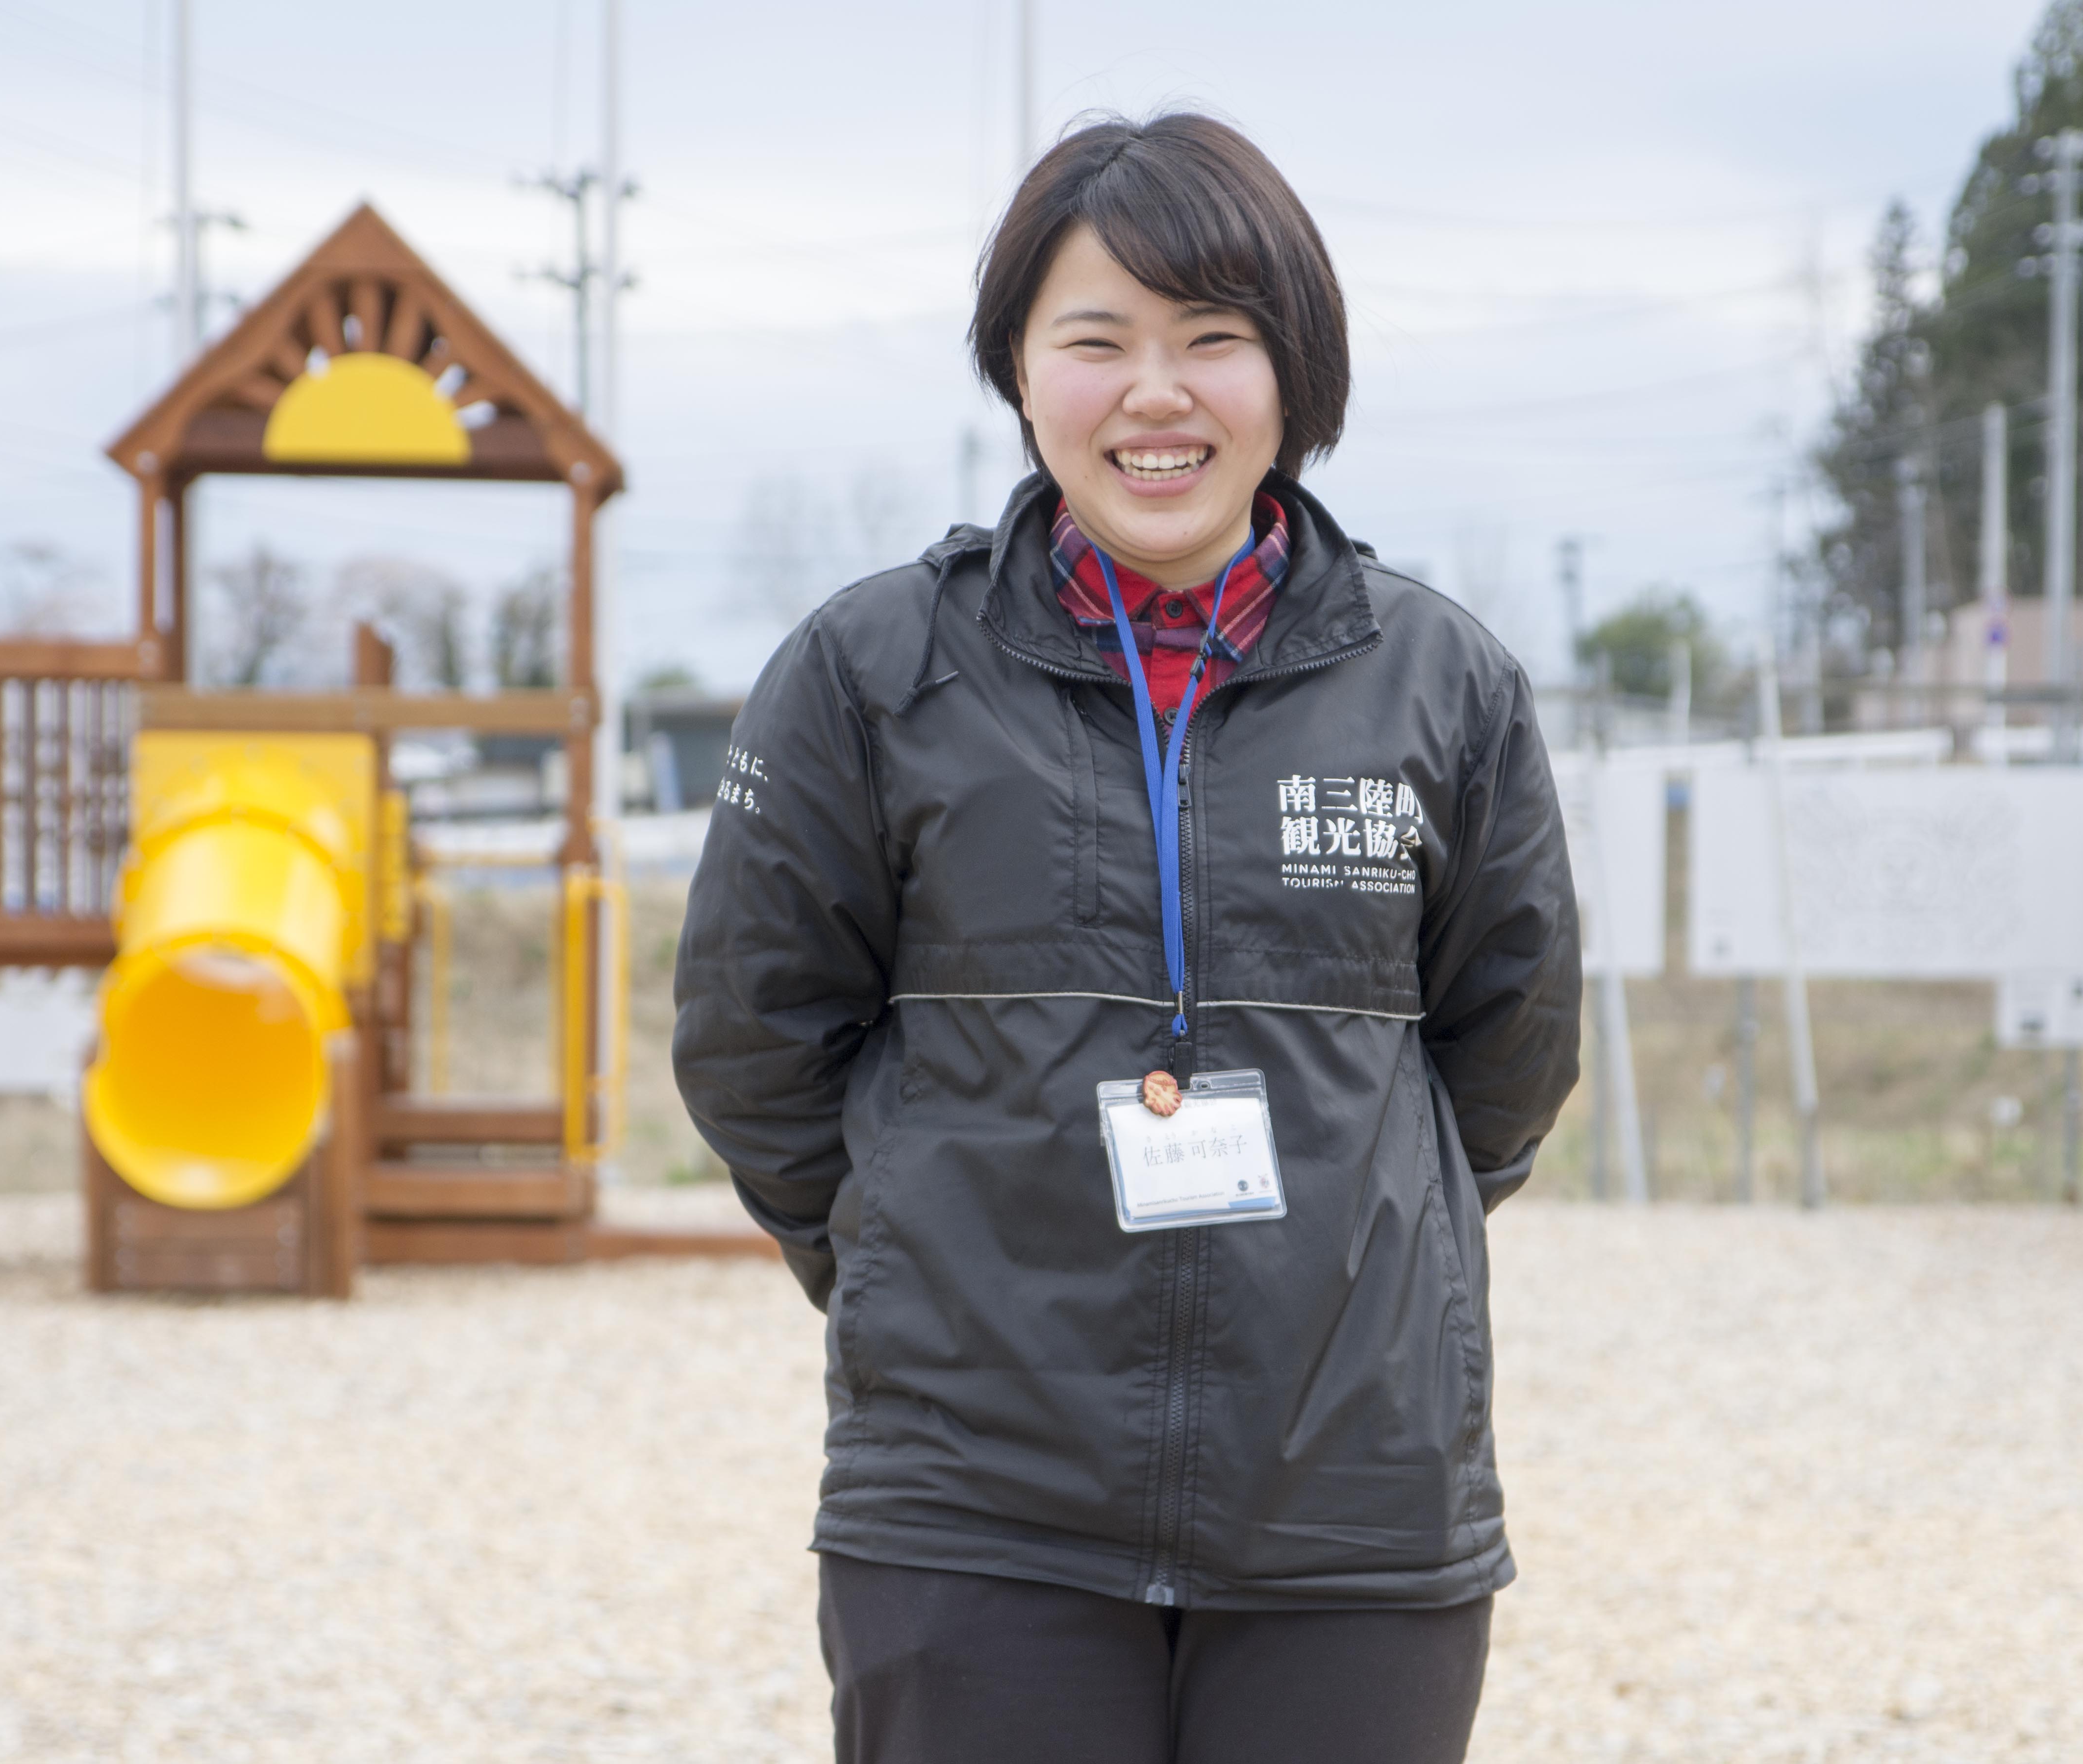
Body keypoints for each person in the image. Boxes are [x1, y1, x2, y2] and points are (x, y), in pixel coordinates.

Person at [673, 111, 1581, 1764]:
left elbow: (1508, 1059)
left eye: (1212, 341)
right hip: (970, 1501)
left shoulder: (1447, 686)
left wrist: (1361, 1262)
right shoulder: (873, 672)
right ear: (1020, 372)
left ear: (1292, 371)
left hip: (1355, 1505)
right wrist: (903, 1257)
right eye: (1097, 340)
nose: (1156, 395)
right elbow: (752, 1038)